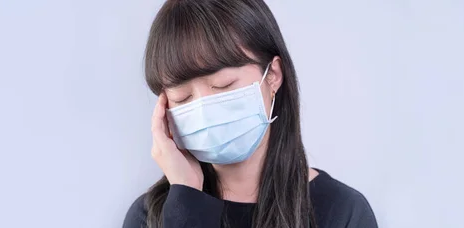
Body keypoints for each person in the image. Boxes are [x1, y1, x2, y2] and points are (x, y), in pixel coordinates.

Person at [123, 0, 378, 227]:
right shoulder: (149, 217)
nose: (204, 111)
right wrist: (186, 203)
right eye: (183, 97)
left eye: (223, 85)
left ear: (273, 76)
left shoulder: (343, 213)